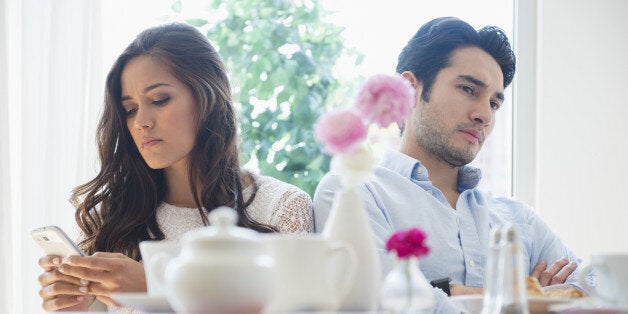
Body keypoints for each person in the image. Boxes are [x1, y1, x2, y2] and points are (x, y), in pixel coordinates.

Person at [313, 17, 592, 313]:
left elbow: (599, 286)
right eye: (468, 89)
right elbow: (374, 299)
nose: (484, 114)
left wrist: (447, 292)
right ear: (410, 89)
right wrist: (528, 299)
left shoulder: (518, 219)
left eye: (495, 103)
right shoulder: (354, 192)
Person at [36, 23, 313, 312]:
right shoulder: (108, 217)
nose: (141, 121)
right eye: (130, 109)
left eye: (159, 100)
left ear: (209, 99)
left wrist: (156, 289)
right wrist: (74, 306)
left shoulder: (282, 207)